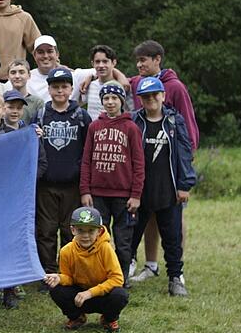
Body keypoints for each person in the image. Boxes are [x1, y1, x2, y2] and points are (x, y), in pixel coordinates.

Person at [127, 40, 199, 282]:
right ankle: (150, 264)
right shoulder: (138, 83)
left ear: (157, 59)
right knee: (147, 218)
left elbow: (187, 126)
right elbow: (117, 79)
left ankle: (177, 271)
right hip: (146, 171)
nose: (139, 65)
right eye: (137, 61)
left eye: (143, 60)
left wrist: (185, 170)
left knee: (173, 220)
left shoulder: (175, 88)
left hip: (172, 164)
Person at [79, 82, 145, 284]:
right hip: (98, 194)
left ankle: (121, 278)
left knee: (123, 241)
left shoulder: (130, 128)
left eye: (114, 98)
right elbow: (86, 160)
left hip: (124, 196)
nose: (110, 102)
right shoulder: (94, 127)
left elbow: (139, 163)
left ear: (122, 101)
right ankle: (99, 276)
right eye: (106, 98)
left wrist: (136, 194)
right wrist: (85, 190)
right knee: (98, 239)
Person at [34, 68, 92, 278]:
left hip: (72, 184)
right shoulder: (41, 114)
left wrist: (85, 183)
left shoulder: (81, 116)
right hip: (46, 185)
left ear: (71, 89)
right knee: (46, 231)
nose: (60, 91)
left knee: (70, 231)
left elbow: (88, 151)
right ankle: (48, 272)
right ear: (49, 89)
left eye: (64, 86)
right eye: (55, 87)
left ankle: (67, 271)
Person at [44, 207, 129, 333]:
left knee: (120, 295)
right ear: (73, 230)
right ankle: (76, 317)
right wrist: (59, 278)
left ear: (99, 231)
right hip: (79, 296)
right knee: (56, 290)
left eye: (91, 230)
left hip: (102, 295)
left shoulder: (106, 248)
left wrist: (90, 293)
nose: (85, 235)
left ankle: (109, 318)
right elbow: (69, 278)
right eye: (80, 230)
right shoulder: (66, 251)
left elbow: (117, 279)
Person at [80, 45, 131, 120]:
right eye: (97, 62)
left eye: (105, 61)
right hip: (92, 130)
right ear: (92, 63)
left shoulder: (120, 86)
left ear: (113, 63)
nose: (101, 65)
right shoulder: (88, 85)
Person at [7, 59, 44, 124]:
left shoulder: (37, 102)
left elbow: (40, 125)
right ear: (8, 76)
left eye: (21, 72)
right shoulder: (2, 101)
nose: (17, 76)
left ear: (29, 75)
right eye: (13, 73)